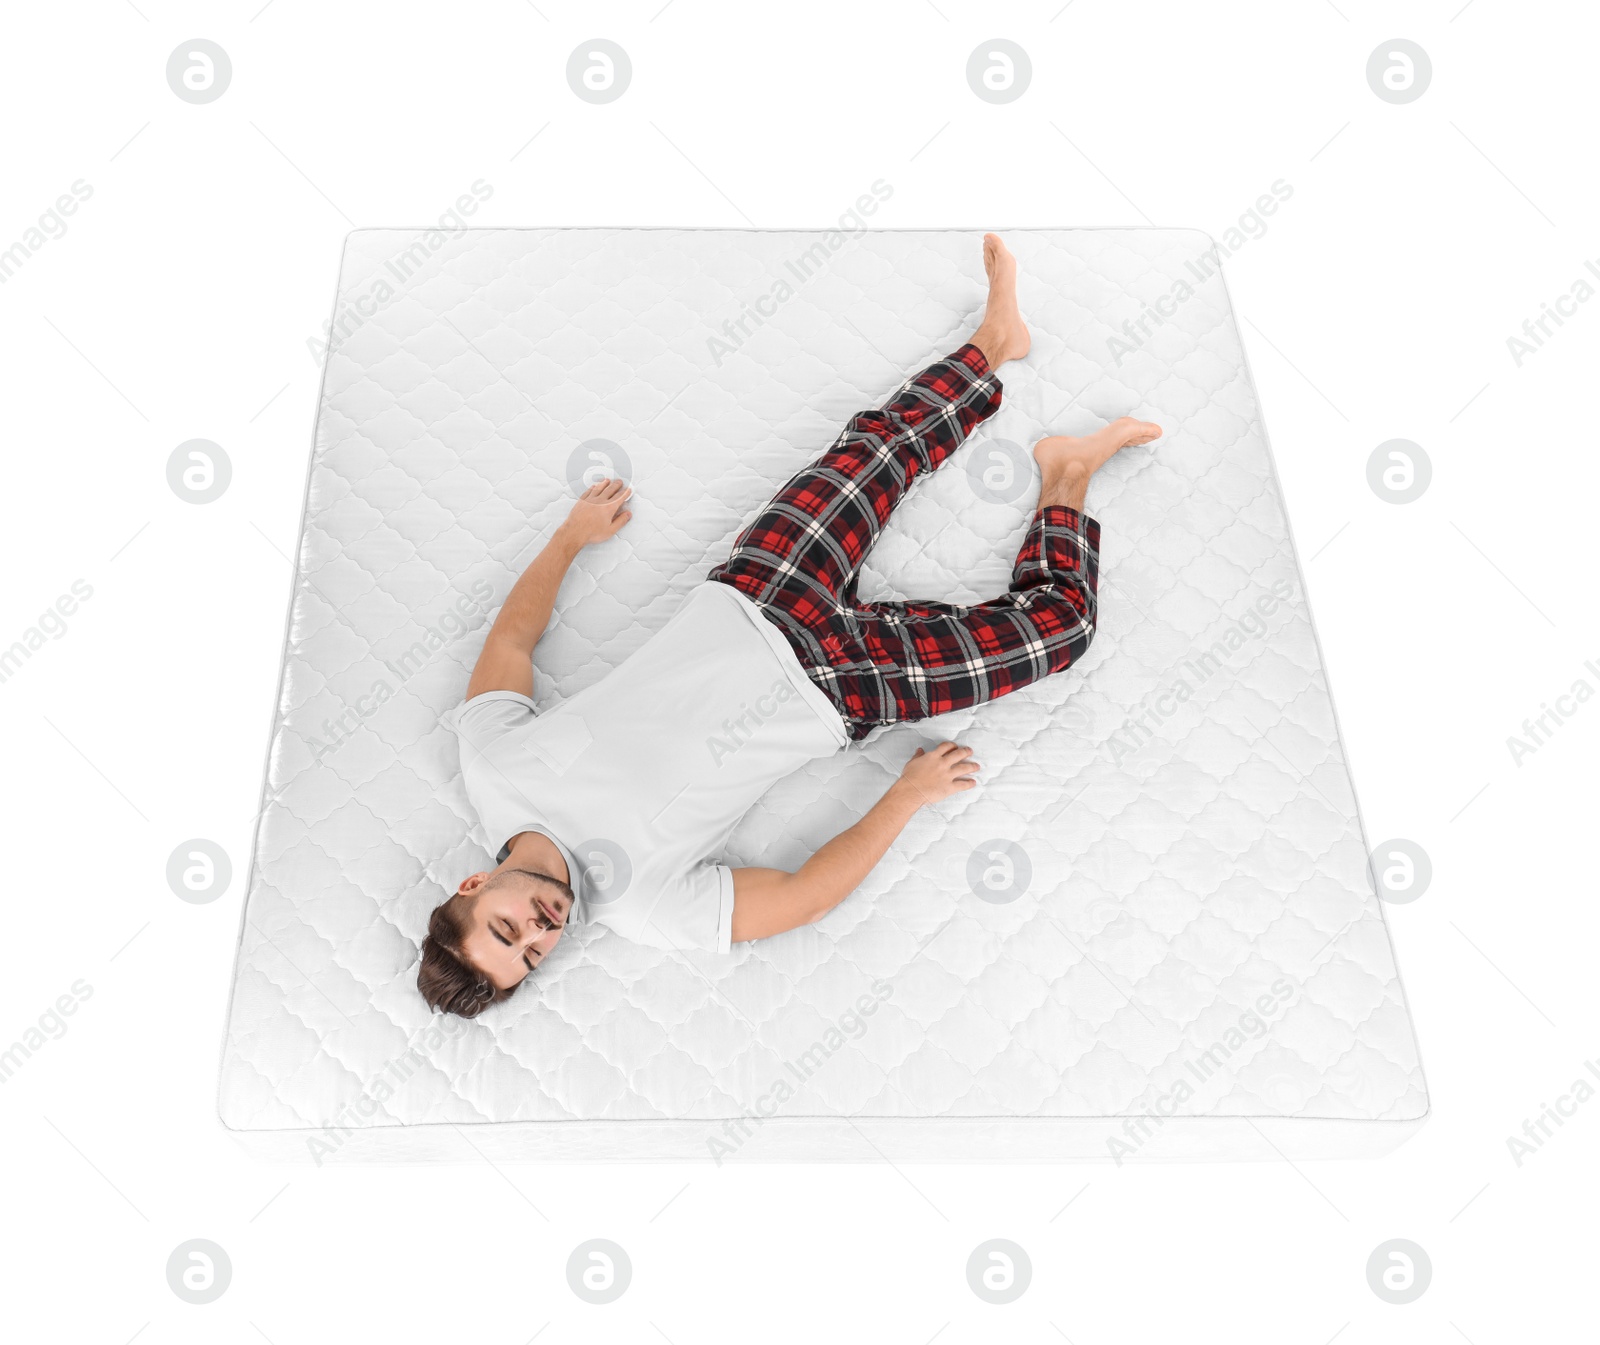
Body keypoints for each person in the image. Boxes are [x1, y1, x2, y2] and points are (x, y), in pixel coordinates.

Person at [419, 234, 1161, 1017]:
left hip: (757, 595)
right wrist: (905, 796)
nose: (539, 931)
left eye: (506, 928)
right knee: (1061, 634)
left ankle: (996, 341)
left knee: (876, 449)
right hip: (846, 688)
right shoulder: (646, 908)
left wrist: (571, 535)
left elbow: (509, 642)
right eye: (532, 957)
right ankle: (1067, 474)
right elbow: (805, 897)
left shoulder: (492, 766)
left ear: (473, 885)